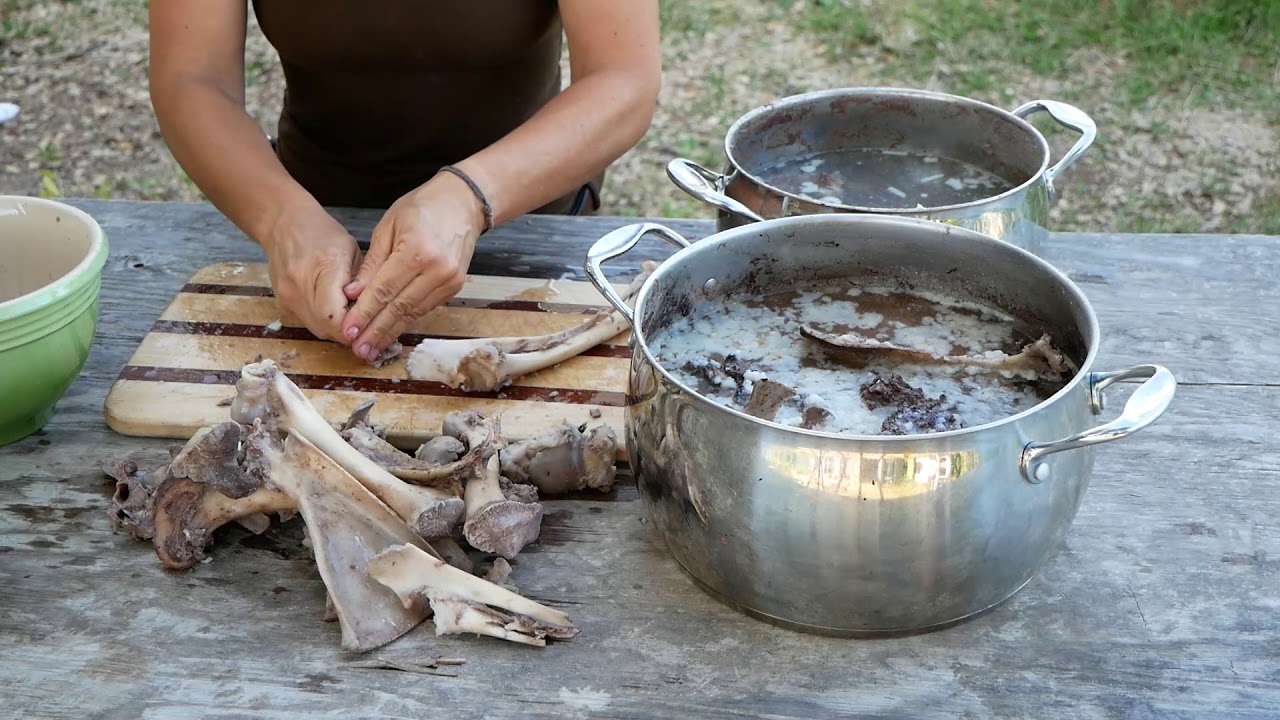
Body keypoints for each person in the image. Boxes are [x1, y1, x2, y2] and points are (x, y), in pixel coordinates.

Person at [148, 1, 661, 363]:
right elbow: (192, 79)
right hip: (316, 230)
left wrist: (472, 193)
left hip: (529, 226)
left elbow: (623, 78)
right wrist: (282, 218)